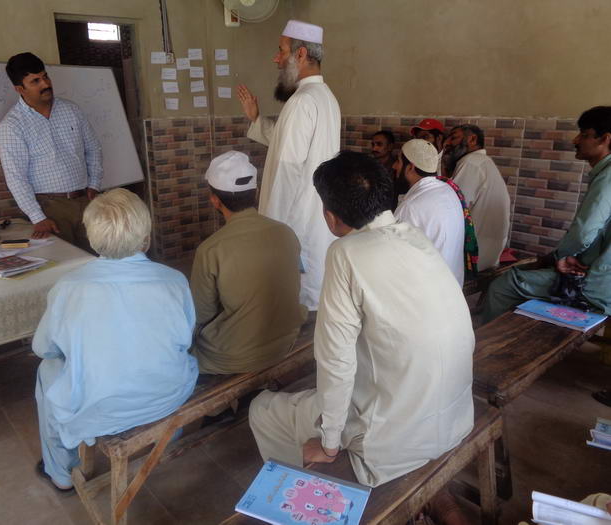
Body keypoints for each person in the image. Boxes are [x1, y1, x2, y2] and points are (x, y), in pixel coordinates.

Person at [248, 151, 475, 488]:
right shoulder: (415, 238)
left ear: (330, 217)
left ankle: (307, 495)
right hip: (457, 418)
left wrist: (329, 443)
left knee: (263, 409)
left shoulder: (345, 253)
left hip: (394, 445)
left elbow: (336, 360)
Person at [33, 188, 198, 491]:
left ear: (92, 238)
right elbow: (185, 338)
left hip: (102, 409)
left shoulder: (69, 287)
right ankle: (169, 435)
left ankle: (61, 472)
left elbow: (44, 348)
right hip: (167, 393)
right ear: (146, 237)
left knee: (48, 370)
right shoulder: (174, 280)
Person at [236, 19, 341, 311]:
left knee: (292, 303)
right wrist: (256, 119)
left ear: (301, 54)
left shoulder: (302, 102)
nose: (276, 59)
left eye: (281, 51)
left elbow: (286, 174)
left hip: (296, 226)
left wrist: (271, 234)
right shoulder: (325, 97)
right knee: (310, 298)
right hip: (313, 219)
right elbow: (291, 146)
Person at [484, 106, 611, 326]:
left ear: (605, 139)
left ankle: (493, 345)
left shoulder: (607, 177)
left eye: (584, 134)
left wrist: (558, 257)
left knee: (504, 285)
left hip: (596, 285)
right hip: (600, 275)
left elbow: (583, 233)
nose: (575, 140)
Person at [190, 151, 307, 374]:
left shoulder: (210, 250)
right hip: (284, 342)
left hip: (233, 357)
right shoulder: (286, 233)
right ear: (257, 192)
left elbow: (201, 314)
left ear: (214, 200)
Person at [0, 52, 103, 253]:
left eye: (45, 77)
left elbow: (93, 148)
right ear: (20, 89)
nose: (45, 84)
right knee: (66, 262)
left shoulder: (71, 110)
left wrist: (94, 184)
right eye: (35, 81)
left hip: (85, 201)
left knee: (96, 258)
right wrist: (38, 217)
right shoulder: (11, 126)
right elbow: (16, 177)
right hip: (50, 208)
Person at [393, 139, 467, 285]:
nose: (394, 166)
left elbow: (395, 260)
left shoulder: (411, 207)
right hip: (453, 287)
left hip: (428, 291)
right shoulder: (447, 190)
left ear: (411, 167)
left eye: (398, 161)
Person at [445, 124, 510, 270]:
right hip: (489, 253)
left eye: (454, 138)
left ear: (472, 139)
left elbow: (452, 207)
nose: (448, 143)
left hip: (475, 255)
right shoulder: (481, 161)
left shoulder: (471, 163)